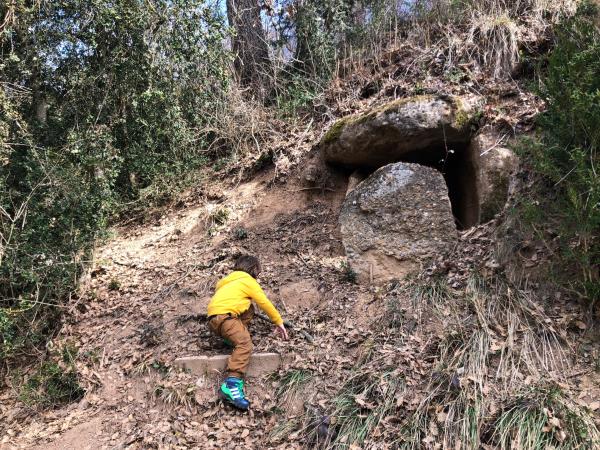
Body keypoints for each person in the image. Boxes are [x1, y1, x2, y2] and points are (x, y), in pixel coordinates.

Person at [206, 255, 288, 410]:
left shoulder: (226, 282)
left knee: (248, 308)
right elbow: (264, 302)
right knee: (245, 343)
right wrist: (279, 321)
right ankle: (231, 384)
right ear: (255, 270)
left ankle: (230, 340)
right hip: (227, 318)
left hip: (213, 319)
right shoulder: (248, 281)